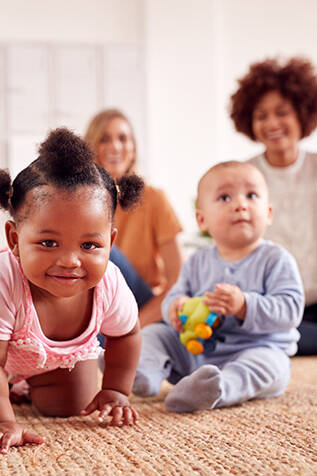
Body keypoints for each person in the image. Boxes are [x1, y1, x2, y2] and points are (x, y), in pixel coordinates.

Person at [0, 128, 144, 453]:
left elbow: (126, 335)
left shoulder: (110, 281)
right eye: (48, 243)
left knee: (69, 404)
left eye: (89, 244)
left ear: (110, 242)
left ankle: (31, 383)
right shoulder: (0, 280)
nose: (69, 261)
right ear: (14, 239)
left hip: (57, 360)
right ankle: (3, 387)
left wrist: (115, 389)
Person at [130, 161, 304, 413]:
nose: (240, 204)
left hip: (255, 349)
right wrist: (175, 309)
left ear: (268, 213)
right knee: (155, 334)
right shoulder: (198, 261)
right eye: (224, 197)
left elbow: (290, 310)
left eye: (251, 195)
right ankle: (144, 373)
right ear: (202, 220)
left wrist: (244, 305)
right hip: (196, 352)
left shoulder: (276, 259)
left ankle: (218, 388)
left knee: (270, 365)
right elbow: (177, 293)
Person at [229, 57, 317, 355]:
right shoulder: (242, 176)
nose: (272, 124)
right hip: (270, 303)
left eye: (282, 112)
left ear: (302, 114)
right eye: (261, 115)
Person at [85, 109, 183, 327]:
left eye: (123, 138)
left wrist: (134, 325)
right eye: (104, 139)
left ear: (133, 148)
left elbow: (178, 280)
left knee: (105, 251)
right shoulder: (81, 203)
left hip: (143, 306)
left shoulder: (154, 199)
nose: (116, 147)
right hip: (99, 308)